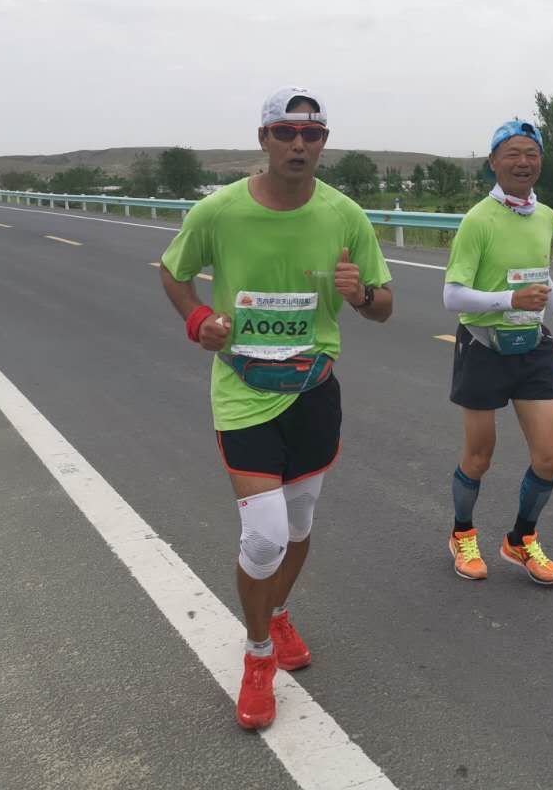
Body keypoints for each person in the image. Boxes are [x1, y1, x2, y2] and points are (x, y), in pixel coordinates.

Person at [158, 86, 394, 731]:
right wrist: (198, 320)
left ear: (323, 143)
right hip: (244, 390)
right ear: (263, 138)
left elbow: (383, 308)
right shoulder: (220, 211)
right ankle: (258, 653)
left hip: (313, 390)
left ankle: (279, 613)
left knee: (297, 524)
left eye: (311, 134)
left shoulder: (345, 215)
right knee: (262, 536)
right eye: (285, 132)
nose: (298, 144)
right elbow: (174, 271)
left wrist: (361, 294)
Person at [442, 119, 553, 586]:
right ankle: (462, 534)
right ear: (494, 162)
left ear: (540, 162)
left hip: (531, 347)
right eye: (512, 153)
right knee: (479, 457)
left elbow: (541, 277)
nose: (523, 161)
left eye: (531, 153)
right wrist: (509, 300)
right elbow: (452, 295)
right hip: (482, 347)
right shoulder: (478, 221)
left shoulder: (545, 216)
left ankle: (521, 539)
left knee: (550, 459)